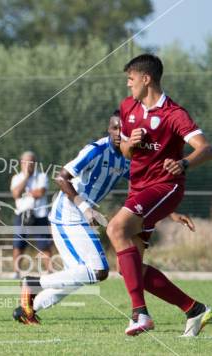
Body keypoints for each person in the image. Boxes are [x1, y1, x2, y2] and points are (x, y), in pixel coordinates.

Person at [14, 112, 196, 327]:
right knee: (98, 271)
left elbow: (147, 188)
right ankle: (33, 284)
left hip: (80, 217)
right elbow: (61, 177)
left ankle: (28, 310)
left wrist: (172, 212)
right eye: (114, 129)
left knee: (80, 275)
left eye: (122, 130)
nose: (118, 134)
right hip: (68, 214)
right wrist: (85, 208)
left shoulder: (128, 158)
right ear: (108, 130)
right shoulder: (96, 150)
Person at [106, 54, 212, 336]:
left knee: (116, 228)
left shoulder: (174, 114)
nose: (128, 85)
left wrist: (185, 162)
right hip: (141, 190)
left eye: (130, 79)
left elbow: (205, 147)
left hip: (167, 187)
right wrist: (131, 142)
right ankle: (194, 309)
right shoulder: (128, 107)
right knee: (130, 269)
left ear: (146, 79)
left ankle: (139, 314)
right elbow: (126, 151)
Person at [10, 151, 51, 278]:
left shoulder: (42, 176)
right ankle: (16, 272)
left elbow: (41, 192)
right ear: (21, 163)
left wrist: (27, 193)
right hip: (22, 215)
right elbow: (16, 193)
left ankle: (50, 271)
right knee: (18, 245)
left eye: (31, 162)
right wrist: (26, 177)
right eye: (25, 162)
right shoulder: (16, 178)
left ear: (35, 163)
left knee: (44, 245)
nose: (29, 165)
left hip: (39, 215)